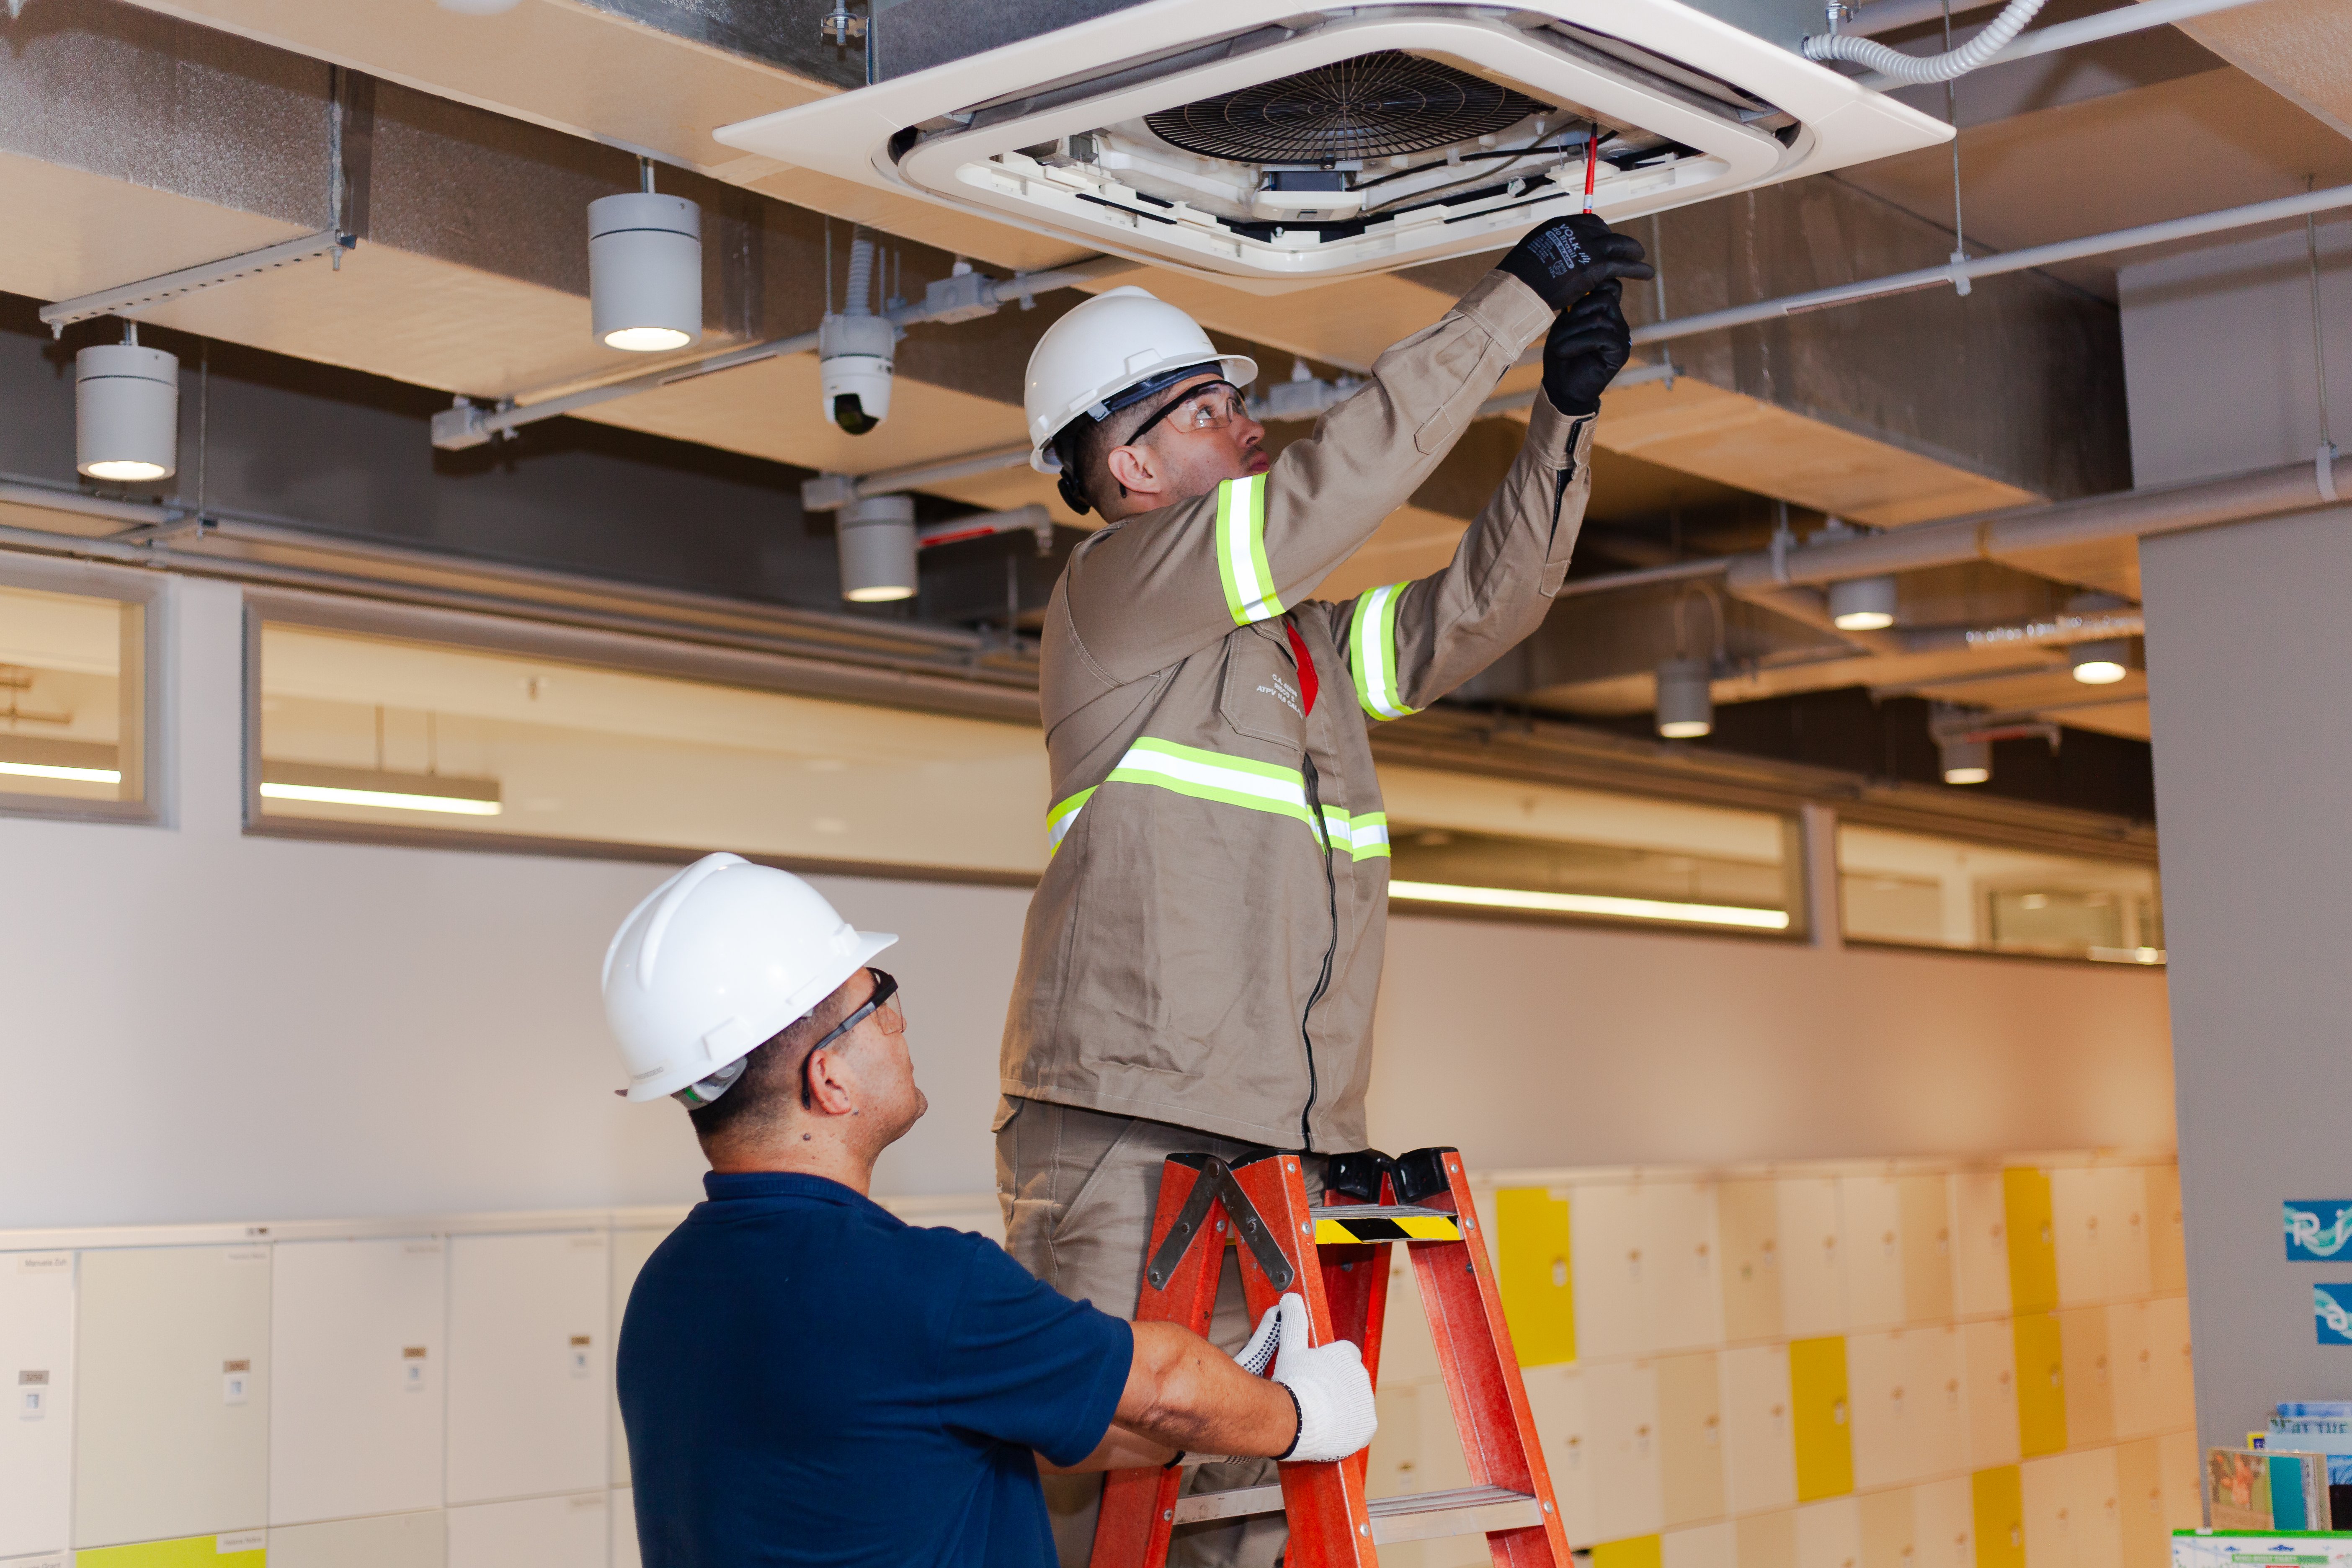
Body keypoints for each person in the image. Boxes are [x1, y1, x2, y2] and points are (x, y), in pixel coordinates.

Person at [998, 214, 1654, 1565]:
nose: (1246, 425)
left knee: (1243, 1514)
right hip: (1126, 1128)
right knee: (1109, 1487)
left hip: (1274, 1145)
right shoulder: (1120, 593)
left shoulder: (1295, 650)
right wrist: (1510, 306)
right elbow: (1325, 492)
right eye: (1206, 408)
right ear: (1125, 463)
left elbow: (1477, 608)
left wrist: (1564, 419)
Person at [601, 853, 1378, 1568]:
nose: (899, 1021)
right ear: (829, 1079)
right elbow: (1166, 1378)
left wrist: (1205, 1421)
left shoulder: (665, 1292)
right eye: (878, 996)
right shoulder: (924, 1288)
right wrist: (1304, 1413)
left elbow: (1006, 1432)